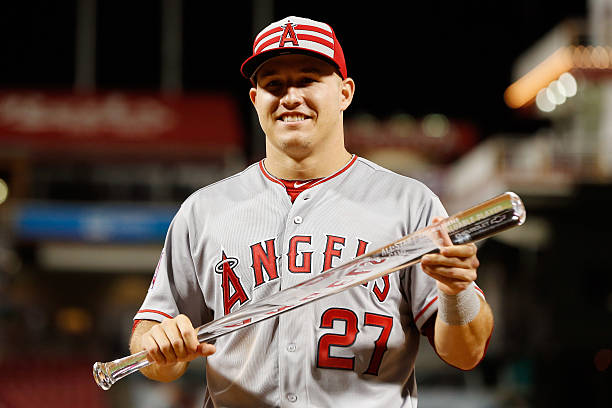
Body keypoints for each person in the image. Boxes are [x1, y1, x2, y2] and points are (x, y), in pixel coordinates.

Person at [129, 16, 494, 407]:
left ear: (344, 93)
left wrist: (455, 292)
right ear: (255, 101)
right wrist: (159, 347)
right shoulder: (204, 210)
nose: (290, 96)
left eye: (307, 80)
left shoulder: (409, 203)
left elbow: (465, 353)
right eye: (273, 85)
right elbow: (150, 342)